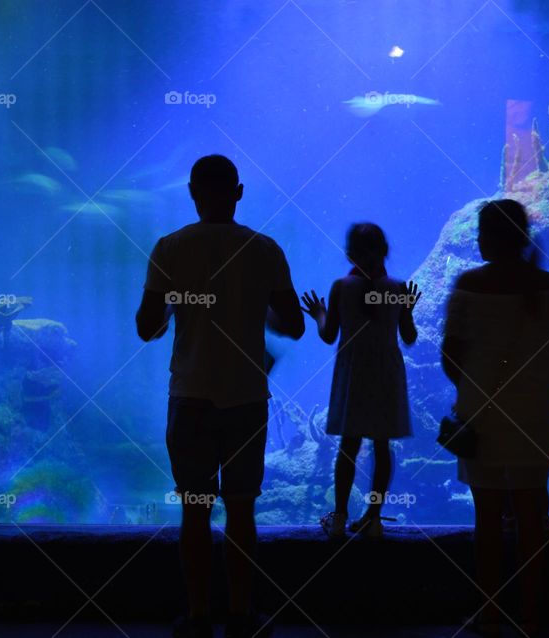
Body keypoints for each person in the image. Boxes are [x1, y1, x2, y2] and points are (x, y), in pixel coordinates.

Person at [136, 154, 304, 638]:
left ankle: (197, 615)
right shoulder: (265, 249)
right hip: (247, 400)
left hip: (189, 397)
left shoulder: (170, 248)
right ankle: (241, 612)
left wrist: (172, 306)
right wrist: (255, 310)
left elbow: (147, 328)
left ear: (192, 192)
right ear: (239, 191)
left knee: (195, 508)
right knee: (243, 509)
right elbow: (292, 325)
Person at [441, 199, 549, 637]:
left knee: (488, 518)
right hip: (535, 414)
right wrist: (546, 398)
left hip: (481, 415)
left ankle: (491, 611)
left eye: (481, 232)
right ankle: (532, 614)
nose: (477, 240)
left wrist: (475, 391)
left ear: (490, 237)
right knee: (532, 515)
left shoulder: (467, 286)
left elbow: (450, 358)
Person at [300, 223, 418, 538]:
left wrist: (319, 314)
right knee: (382, 445)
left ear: (349, 253)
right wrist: (407, 309)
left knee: (348, 446)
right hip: (386, 373)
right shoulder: (398, 288)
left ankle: (339, 516)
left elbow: (328, 336)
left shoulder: (341, 287)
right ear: (385, 251)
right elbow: (409, 337)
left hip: (354, 372)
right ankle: (373, 516)